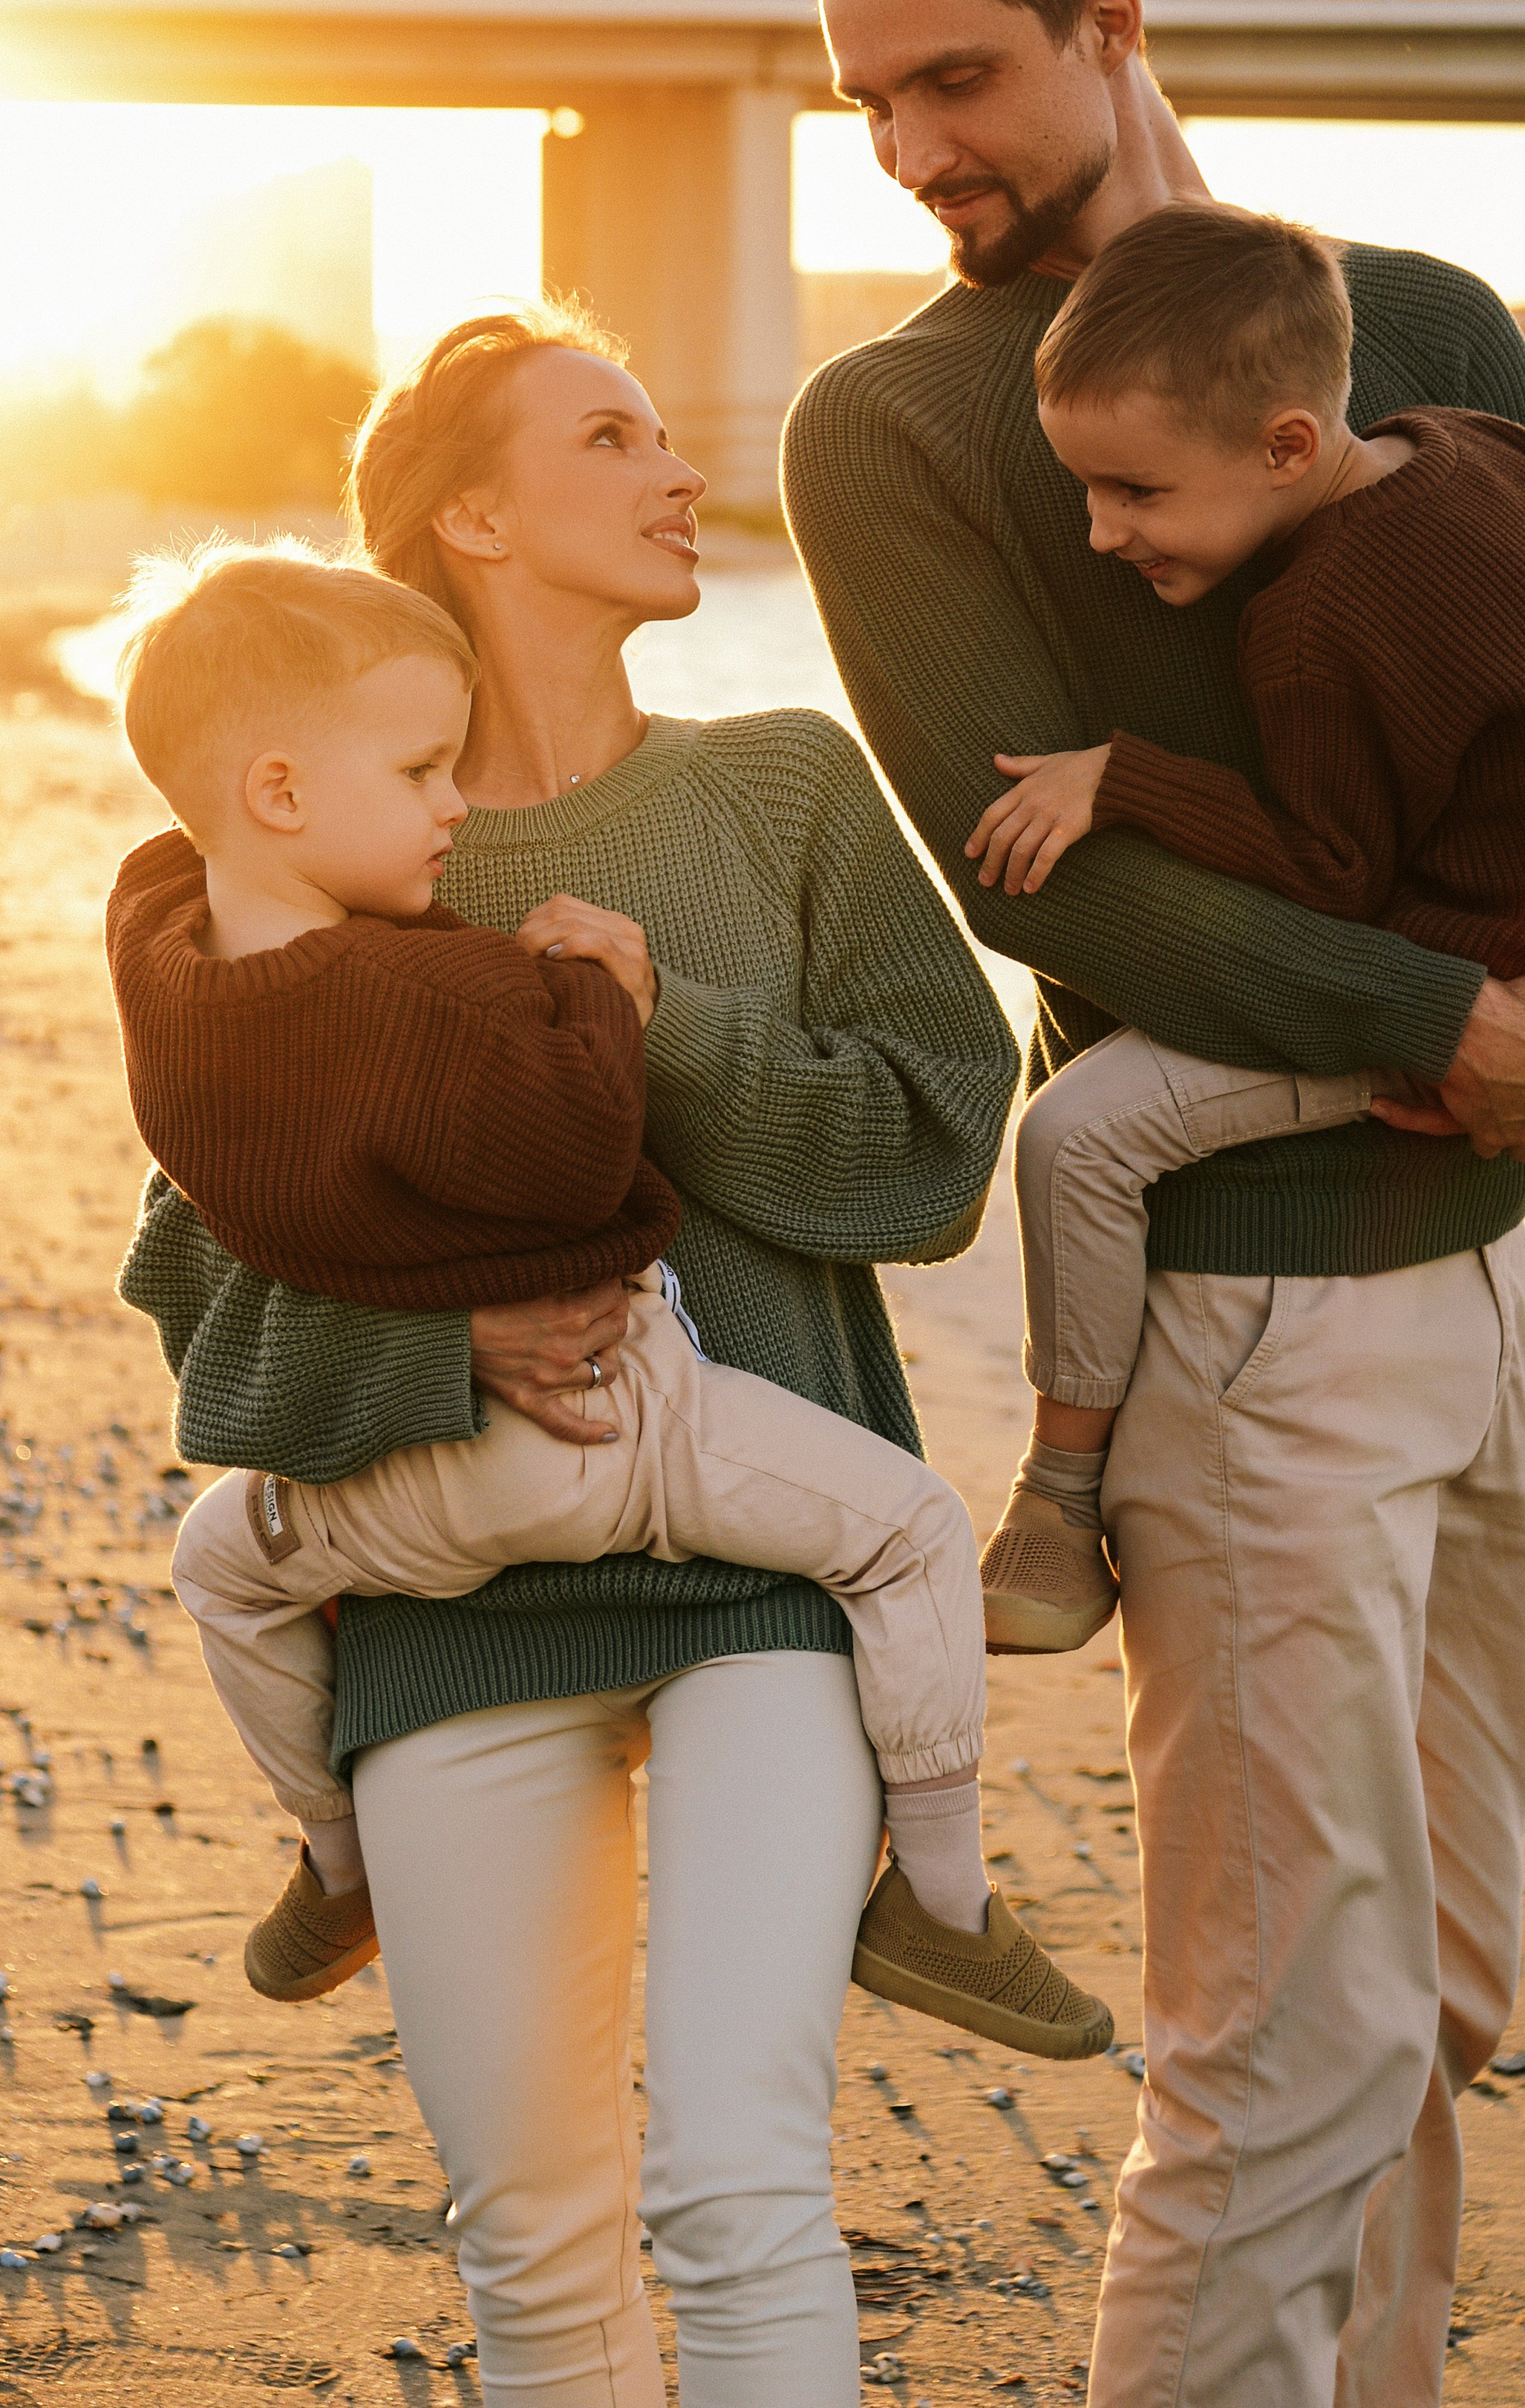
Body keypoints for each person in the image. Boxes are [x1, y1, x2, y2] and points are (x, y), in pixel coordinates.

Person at [780, 0, 1525, 2407]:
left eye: (954, 77)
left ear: (1112, 15)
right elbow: (1049, 890)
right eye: (867, 103)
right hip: (1242, 1320)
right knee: (1283, 2049)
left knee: (1443, 2002)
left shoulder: (1434, 323)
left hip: (1477, 1286)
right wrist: (1449, 1025)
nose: (912, 147)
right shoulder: (894, 422)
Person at [117, 299, 1022, 2407]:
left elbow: (935, 1148)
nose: (678, 468)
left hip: (762, 1583)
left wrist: (658, 1019)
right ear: (474, 518)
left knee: (736, 2185)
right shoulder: (309, 854)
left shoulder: (779, 784)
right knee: (529, 2233)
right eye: (610, 436)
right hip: (449, 1612)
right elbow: (194, 1293)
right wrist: (445, 1347)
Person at [110, 536, 1107, 2060]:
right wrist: (602, 1002)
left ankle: (332, 1857)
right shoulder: (432, 971)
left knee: (217, 1565)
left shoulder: (175, 971)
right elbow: (575, 1155)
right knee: (912, 1531)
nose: (448, 806)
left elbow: (931, 1152)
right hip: (621, 1436)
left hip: (388, 1509)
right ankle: (947, 1900)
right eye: (419, 772)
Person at [964, 201, 1525, 1648]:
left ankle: (1057, 1503)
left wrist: (1126, 779)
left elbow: (1328, 879)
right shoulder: (1474, 449)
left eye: (1134, 492)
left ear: (1287, 447)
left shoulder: (1314, 618)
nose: (1101, 533)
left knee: (1071, 1137)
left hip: (1478, 970)